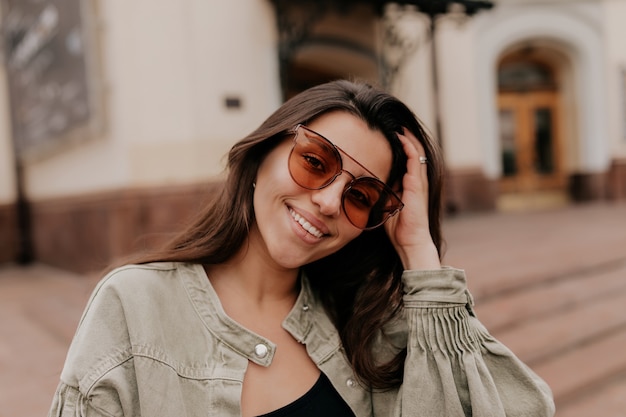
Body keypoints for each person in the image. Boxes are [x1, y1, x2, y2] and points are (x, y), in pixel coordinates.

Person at [48, 80, 555, 417]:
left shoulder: (367, 328)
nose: (330, 201)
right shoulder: (134, 306)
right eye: (315, 161)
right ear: (262, 152)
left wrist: (419, 250)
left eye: (361, 197)